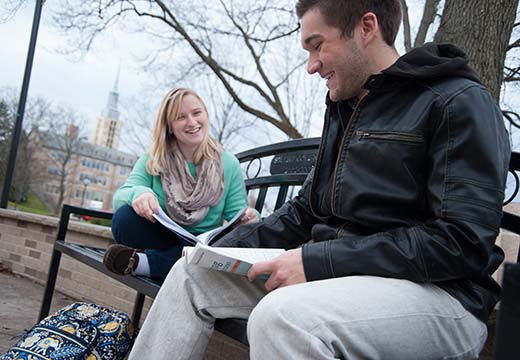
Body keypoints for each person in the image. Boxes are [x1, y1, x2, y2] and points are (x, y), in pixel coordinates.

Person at [128, 1, 511, 358]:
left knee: (282, 317)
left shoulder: (456, 100)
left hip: (443, 297)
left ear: (366, 27)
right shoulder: (347, 107)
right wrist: (217, 250)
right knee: (192, 273)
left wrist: (317, 261)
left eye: (317, 46)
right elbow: (305, 212)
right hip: (339, 278)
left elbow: (460, 243)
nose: (311, 65)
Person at [104, 88, 258, 280]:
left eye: (197, 113)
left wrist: (251, 217)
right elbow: (120, 196)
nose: (192, 122)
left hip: (204, 245)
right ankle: (182, 264)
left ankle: (146, 264)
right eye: (181, 117)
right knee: (124, 218)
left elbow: (238, 213)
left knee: (221, 248)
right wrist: (140, 193)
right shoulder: (154, 159)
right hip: (164, 240)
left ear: (206, 115)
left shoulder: (228, 163)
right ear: (169, 126)